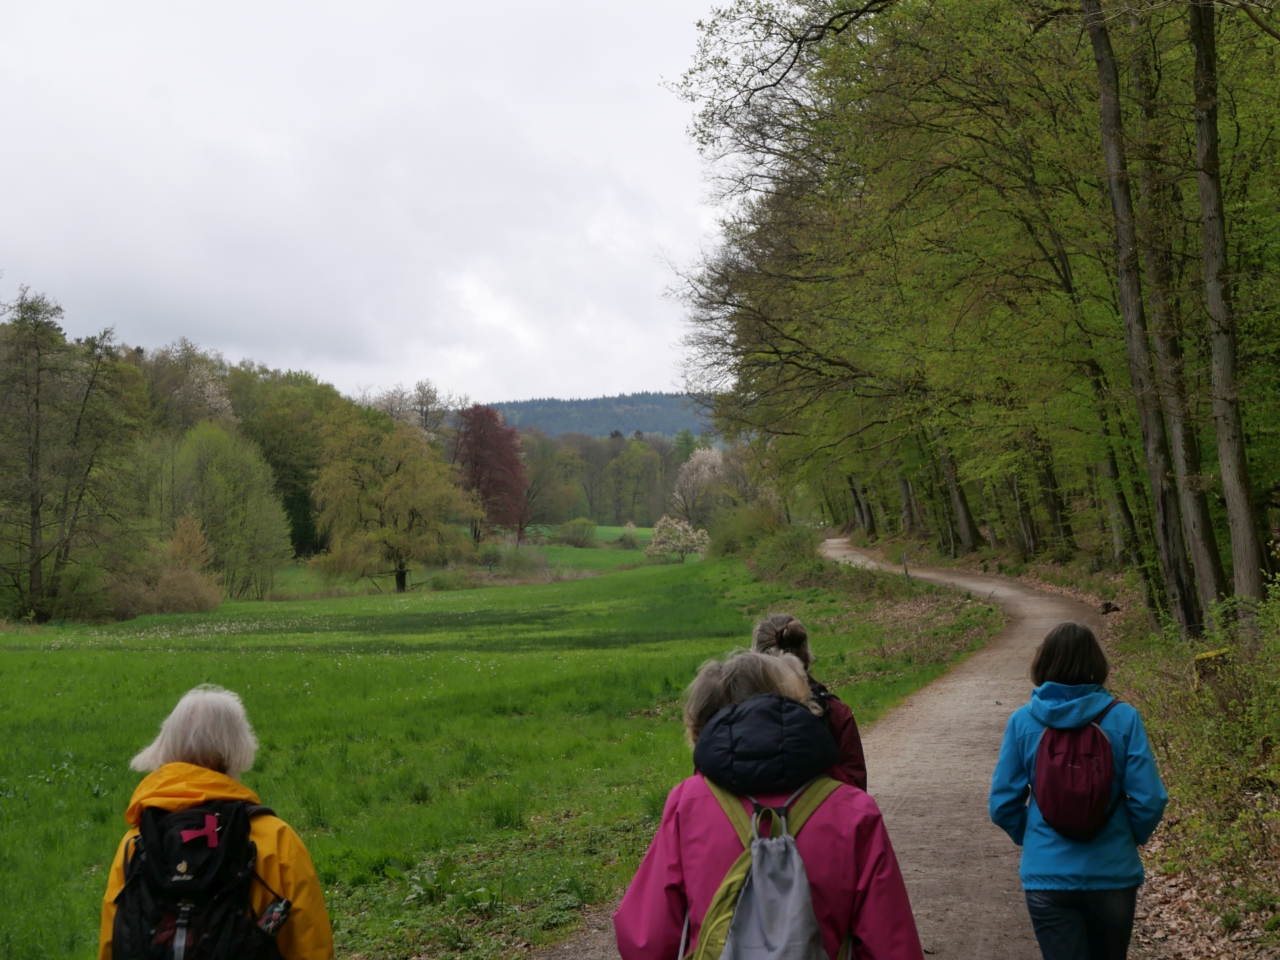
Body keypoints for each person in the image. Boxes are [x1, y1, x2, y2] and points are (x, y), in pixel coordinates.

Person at [614, 650, 923, 960]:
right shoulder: (854, 812)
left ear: (703, 726)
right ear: (800, 708)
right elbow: (893, 947)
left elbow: (646, 941)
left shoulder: (687, 804)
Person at [99, 685, 335, 960]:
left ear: (167, 744)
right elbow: (310, 946)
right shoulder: (275, 839)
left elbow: (113, 944)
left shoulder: (135, 844)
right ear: (239, 748)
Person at [989, 623, 1167, 960]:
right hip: (1113, 874)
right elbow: (1150, 798)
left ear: (1044, 663)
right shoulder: (1124, 718)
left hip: (1047, 877)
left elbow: (1002, 805)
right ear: (1096, 663)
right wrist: (1128, 836)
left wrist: (1034, 837)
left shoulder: (1023, 722)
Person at [752, 613, 868, 790]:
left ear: (755, 661)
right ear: (806, 657)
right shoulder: (836, 713)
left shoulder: (734, 719)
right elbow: (855, 791)